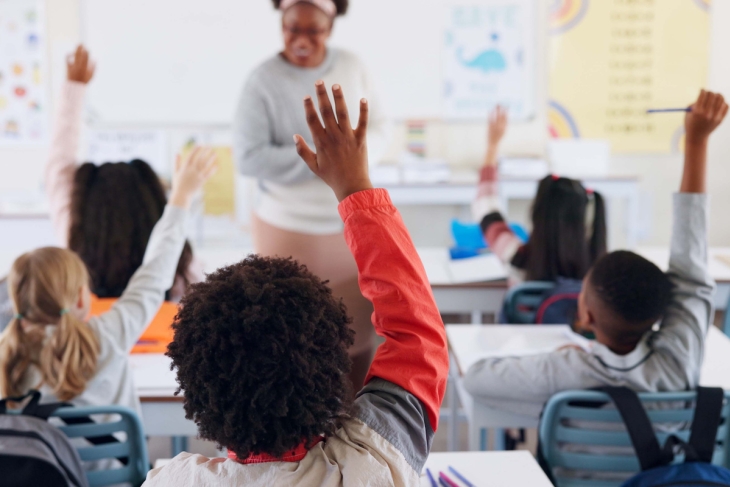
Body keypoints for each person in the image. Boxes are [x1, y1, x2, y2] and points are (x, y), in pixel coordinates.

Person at [143, 82, 448, 486]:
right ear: (335, 368)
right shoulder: (374, 462)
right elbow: (417, 335)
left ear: (196, 393)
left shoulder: (171, 481)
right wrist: (356, 189)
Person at [464, 90, 728, 420]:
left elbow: (475, 378)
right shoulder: (677, 362)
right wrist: (697, 142)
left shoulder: (563, 370)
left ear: (585, 315)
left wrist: (491, 147)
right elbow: (691, 274)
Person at [234, 0, 390, 391]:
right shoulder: (262, 80)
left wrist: (351, 159)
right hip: (285, 229)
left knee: (354, 340)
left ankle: (355, 433)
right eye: (292, 29)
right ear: (281, 25)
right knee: (289, 347)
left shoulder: (353, 66)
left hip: (348, 227)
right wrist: (321, 159)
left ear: (331, 26)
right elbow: (249, 158)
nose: (301, 40)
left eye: (313, 31)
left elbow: (382, 128)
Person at [0, 148, 217, 413]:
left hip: (31, 456)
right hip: (112, 458)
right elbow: (157, 268)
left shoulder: (8, 351)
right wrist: (182, 195)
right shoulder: (109, 334)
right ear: (82, 297)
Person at [47, 45, 203, 302]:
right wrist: (183, 193)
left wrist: (73, 90)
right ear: (155, 207)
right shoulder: (177, 268)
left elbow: (58, 165)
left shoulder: (74, 239)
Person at [472, 106, 608, 285]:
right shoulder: (598, 277)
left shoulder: (517, 258)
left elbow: (486, 207)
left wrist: (492, 146)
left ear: (537, 216)